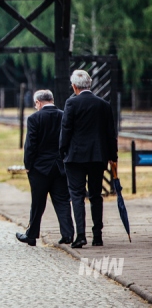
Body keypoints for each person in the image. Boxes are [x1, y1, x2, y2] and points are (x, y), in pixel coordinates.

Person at [60, 70, 118, 249]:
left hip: (75, 157)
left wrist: (62, 151)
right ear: (89, 84)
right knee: (95, 195)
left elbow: (66, 130)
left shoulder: (71, 103)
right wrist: (112, 157)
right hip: (97, 156)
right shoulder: (103, 105)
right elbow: (110, 134)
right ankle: (97, 235)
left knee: (76, 195)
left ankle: (81, 235)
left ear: (74, 86)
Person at [16, 90, 74, 247]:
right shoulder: (63, 116)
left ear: (38, 103)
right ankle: (68, 234)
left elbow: (30, 145)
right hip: (59, 166)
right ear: (52, 100)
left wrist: (28, 165)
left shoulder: (34, 118)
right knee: (62, 201)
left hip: (40, 168)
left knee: (38, 202)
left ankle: (32, 235)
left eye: (35, 104)